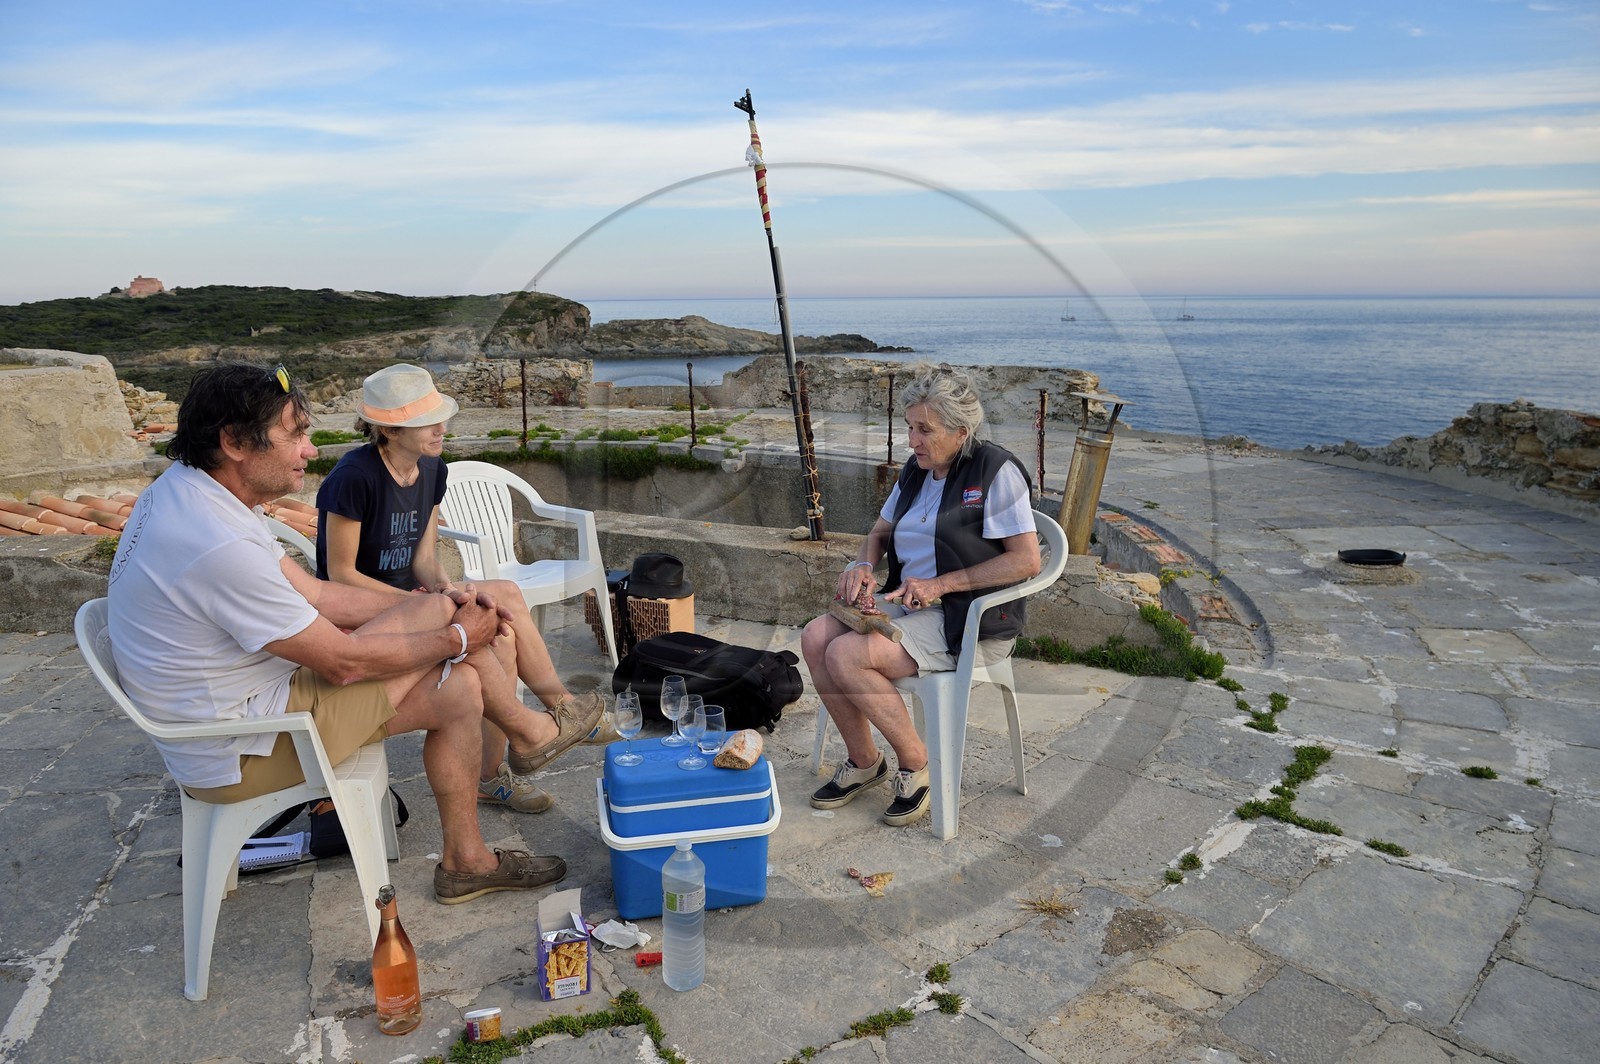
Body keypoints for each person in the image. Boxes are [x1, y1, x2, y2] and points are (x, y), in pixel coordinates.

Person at [107, 362, 571, 904]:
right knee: (459, 668)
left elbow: (319, 595)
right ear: (233, 442)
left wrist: (443, 605)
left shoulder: (195, 494)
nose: (310, 450)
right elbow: (344, 662)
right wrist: (458, 637)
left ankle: (474, 846)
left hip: (242, 709)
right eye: (295, 435)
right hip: (243, 748)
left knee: (460, 674)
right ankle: (528, 737)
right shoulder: (214, 541)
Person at [314, 364, 604, 815]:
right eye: (427, 422)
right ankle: (520, 750)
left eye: (440, 418)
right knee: (492, 631)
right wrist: (427, 603)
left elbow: (424, 559)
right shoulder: (353, 477)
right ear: (389, 430)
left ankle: (551, 719)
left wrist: (447, 590)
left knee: (504, 607)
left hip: (415, 601)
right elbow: (340, 576)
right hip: (359, 615)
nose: (441, 429)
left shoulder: (433, 469)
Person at [801, 363, 1042, 826]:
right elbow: (879, 533)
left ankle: (917, 765)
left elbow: (1026, 561)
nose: (912, 441)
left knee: (846, 655)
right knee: (815, 637)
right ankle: (865, 762)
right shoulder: (917, 471)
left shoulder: (996, 471)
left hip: (969, 620)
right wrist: (863, 565)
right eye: (910, 427)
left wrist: (941, 585)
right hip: (911, 605)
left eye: (924, 430)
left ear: (961, 431)